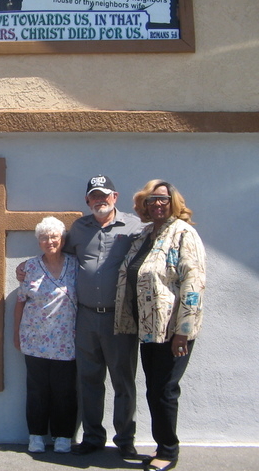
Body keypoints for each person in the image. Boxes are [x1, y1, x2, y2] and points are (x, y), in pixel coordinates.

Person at [16, 175, 143, 458]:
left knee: (123, 381)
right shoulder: (79, 228)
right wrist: (25, 266)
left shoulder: (134, 226)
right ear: (87, 200)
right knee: (89, 380)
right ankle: (93, 437)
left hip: (120, 318)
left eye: (104, 195)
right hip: (85, 318)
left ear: (115, 197)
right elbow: (54, 251)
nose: (100, 200)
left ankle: (125, 439)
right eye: (94, 196)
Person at [115, 180, 206, 471]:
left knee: (165, 390)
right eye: (151, 199)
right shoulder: (144, 235)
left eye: (163, 199)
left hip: (172, 330)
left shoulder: (184, 233)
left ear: (173, 202)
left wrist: (183, 332)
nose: (157, 204)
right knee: (154, 390)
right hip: (149, 329)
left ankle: (168, 451)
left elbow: (194, 283)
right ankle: (162, 446)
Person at [13, 217, 78, 454]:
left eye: (53, 237)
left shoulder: (75, 265)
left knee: (64, 390)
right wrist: (16, 334)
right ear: (38, 241)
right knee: (37, 390)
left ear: (62, 240)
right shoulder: (29, 267)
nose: (49, 241)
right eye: (44, 237)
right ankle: (36, 435)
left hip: (66, 340)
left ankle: (63, 435)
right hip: (34, 339)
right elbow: (20, 302)